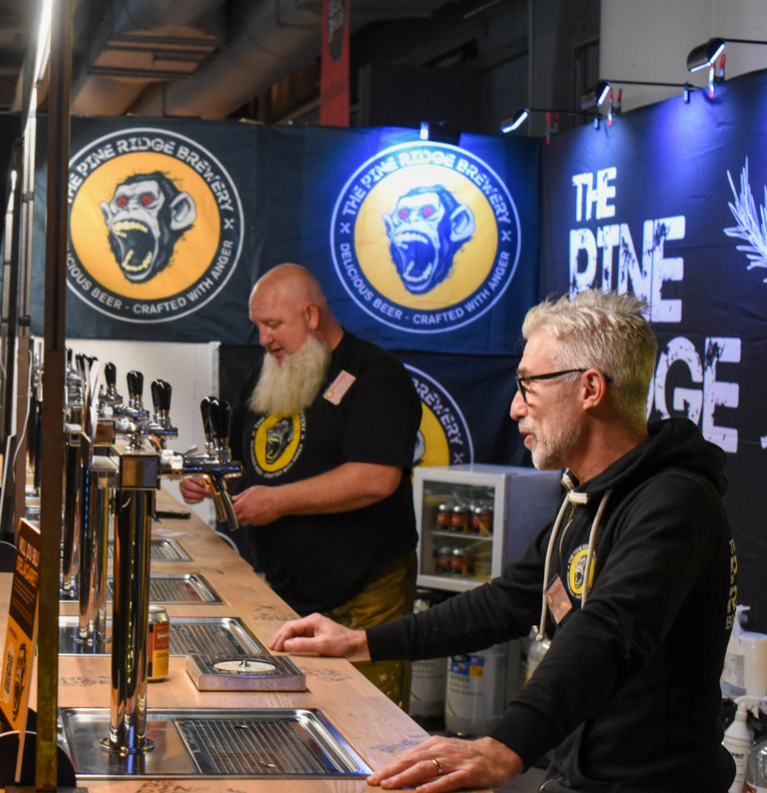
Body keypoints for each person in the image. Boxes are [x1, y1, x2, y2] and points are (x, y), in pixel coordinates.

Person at [271, 290, 735, 793]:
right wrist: (361, 641)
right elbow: (506, 602)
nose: (515, 408)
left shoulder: (674, 503)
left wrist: (502, 747)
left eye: (528, 385)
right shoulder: (589, 496)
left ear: (590, 388)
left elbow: (608, 634)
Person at [180, 263, 421, 707]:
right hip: (284, 590)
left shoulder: (376, 375)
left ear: (311, 315)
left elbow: (376, 478)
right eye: (258, 326)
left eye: (273, 325)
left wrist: (278, 502)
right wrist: (213, 480)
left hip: (365, 593)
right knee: (293, 713)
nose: (263, 339)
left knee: (370, 720)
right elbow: (246, 463)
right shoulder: (267, 373)